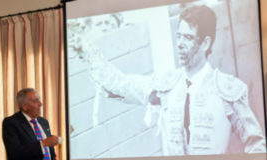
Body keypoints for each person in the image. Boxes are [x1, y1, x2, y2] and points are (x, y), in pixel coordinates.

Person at [81, 5, 266, 155]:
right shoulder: (167, 85)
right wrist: (88, 53)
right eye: (178, 36)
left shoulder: (226, 89)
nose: (179, 44)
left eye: (187, 37)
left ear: (205, 43)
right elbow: (122, 85)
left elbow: (256, 144)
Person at [2, 88, 61, 160]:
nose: (40, 104)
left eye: (39, 100)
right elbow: (15, 153)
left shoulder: (43, 122)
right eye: (35, 101)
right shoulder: (11, 123)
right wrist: (43, 144)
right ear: (24, 106)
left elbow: (51, 152)